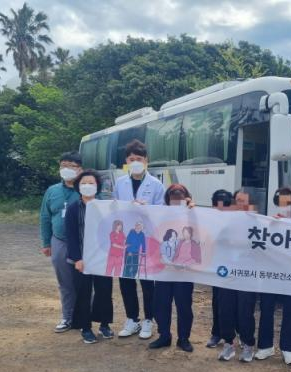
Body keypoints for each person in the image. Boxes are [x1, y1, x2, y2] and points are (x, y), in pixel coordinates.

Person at [113, 140, 165, 340]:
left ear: (146, 160)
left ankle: (148, 320)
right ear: (126, 161)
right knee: (126, 280)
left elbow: (162, 212)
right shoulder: (120, 183)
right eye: (131, 159)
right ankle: (132, 319)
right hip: (127, 240)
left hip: (147, 239)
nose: (135, 162)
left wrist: (146, 209)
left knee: (147, 282)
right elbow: (115, 208)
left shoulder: (156, 184)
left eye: (139, 159)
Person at [64, 170, 114, 344]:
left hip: (102, 258)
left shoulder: (105, 206)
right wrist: (77, 259)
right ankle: (85, 328)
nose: (87, 186)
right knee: (83, 293)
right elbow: (70, 236)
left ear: (97, 186)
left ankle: (104, 325)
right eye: (83, 183)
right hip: (81, 260)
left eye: (91, 183)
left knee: (104, 292)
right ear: (78, 186)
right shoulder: (73, 208)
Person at [255, 187, 291, 365]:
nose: (284, 204)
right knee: (266, 308)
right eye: (281, 201)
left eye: (287, 201)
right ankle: (265, 346)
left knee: (290, 310)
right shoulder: (268, 221)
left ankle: (288, 349)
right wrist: (270, 224)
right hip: (271, 272)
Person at [149, 184, 196, 351]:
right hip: (164, 270)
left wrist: (193, 210)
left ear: (186, 198)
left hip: (184, 271)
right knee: (161, 304)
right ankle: (164, 336)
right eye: (173, 197)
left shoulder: (193, 213)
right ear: (167, 199)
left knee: (184, 306)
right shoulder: (160, 214)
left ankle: (183, 338)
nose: (176, 201)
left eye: (180, 197)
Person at [39, 151, 82, 333]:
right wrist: (46, 243)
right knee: (65, 282)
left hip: (83, 243)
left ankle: (84, 318)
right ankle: (67, 317)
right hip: (59, 241)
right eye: (63, 166)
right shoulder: (52, 191)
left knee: (84, 282)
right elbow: (45, 217)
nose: (67, 169)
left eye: (72, 166)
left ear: (80, 169)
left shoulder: (86, 189)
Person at [217, 189, 258, 362]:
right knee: (225, 309)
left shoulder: (257, 222)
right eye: (237, 200)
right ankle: (228, 344)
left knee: (245, 311)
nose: (240, 204)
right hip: (227, 272)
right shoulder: (226, 220)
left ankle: (248, 345)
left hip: (247, 274)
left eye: (243, 201)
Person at [206, 189, 233, 349]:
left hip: (235, 267)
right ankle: (216, 333)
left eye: (225, 204)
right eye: (217, 204)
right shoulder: (208, 220)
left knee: (234, 303)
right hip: (217, 268)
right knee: (217, 301)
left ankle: (234, 334)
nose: (221, 207)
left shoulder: (238, 220)